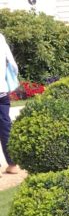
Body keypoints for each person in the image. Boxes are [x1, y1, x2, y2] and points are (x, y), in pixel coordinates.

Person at [0, 31, 20, 174]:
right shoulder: (0, 37)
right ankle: (12, 164)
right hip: (1, 90)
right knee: (5, 127)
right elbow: (13, 64)